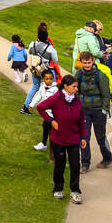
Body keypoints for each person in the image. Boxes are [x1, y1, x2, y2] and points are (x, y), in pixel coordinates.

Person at [36, 74, 85, 204]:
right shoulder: (56, 99)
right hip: (58, 140)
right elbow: (40, 108)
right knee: (60, 165)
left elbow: (81, 120)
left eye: (77, 87)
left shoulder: (77, 100)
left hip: (74, 139)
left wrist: (84, 137)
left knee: (75, 165)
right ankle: (58, 189)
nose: (76, 89)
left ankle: (75, 191)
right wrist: (51, 120)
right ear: (65, 86)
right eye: (74, 87)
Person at [73, 51, 112, 172]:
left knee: (100, 137)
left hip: (99, 111)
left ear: (93, 61)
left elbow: (106, 95)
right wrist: (78, 101)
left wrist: (105, 110)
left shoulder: (100, 76)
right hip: (84, 111)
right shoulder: (78, 74)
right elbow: (75, 89)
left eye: (89, 62)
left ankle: (107, 158)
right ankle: (85, 163)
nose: (87, 65)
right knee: (84, 137)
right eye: (84, 63)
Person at [29, 65, 58, 144]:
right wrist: (31, 105)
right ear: (43, 79)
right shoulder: (42, 87)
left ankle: (53, 145)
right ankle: (44, 143)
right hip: (45, 113)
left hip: (53, 114)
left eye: (51, 79)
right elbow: (38, 97)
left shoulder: (55, 89)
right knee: (45, 127)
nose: (49, 81)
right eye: (47, 79)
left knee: (52, 130)